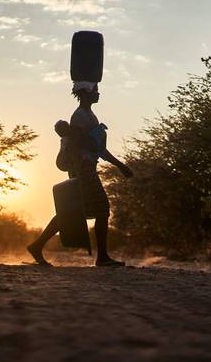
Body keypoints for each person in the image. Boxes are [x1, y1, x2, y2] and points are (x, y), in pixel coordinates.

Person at [27, 82, 133, 266]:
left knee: (71, 211)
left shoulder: (87, 115)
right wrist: (83, 172)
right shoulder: (80, 117)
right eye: (95, 91)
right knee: (101, 209)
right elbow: (82, 146)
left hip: (85, 169)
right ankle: (102, 258)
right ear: (86, 93)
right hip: (84, 171)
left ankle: (37, 245)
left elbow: (97, 148)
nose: (98, 94)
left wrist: (120, 165)